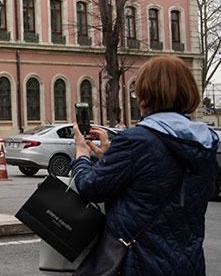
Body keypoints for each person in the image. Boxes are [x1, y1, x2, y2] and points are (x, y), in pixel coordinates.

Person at [71, 56, 219, 275]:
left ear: (148, 95)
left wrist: (82, 155)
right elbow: (159, 179)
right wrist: (110, 158)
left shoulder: (137, 140)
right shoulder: (205, 142)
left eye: (137, 91)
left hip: (139, 263)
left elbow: (90, 188)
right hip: (189, 263)